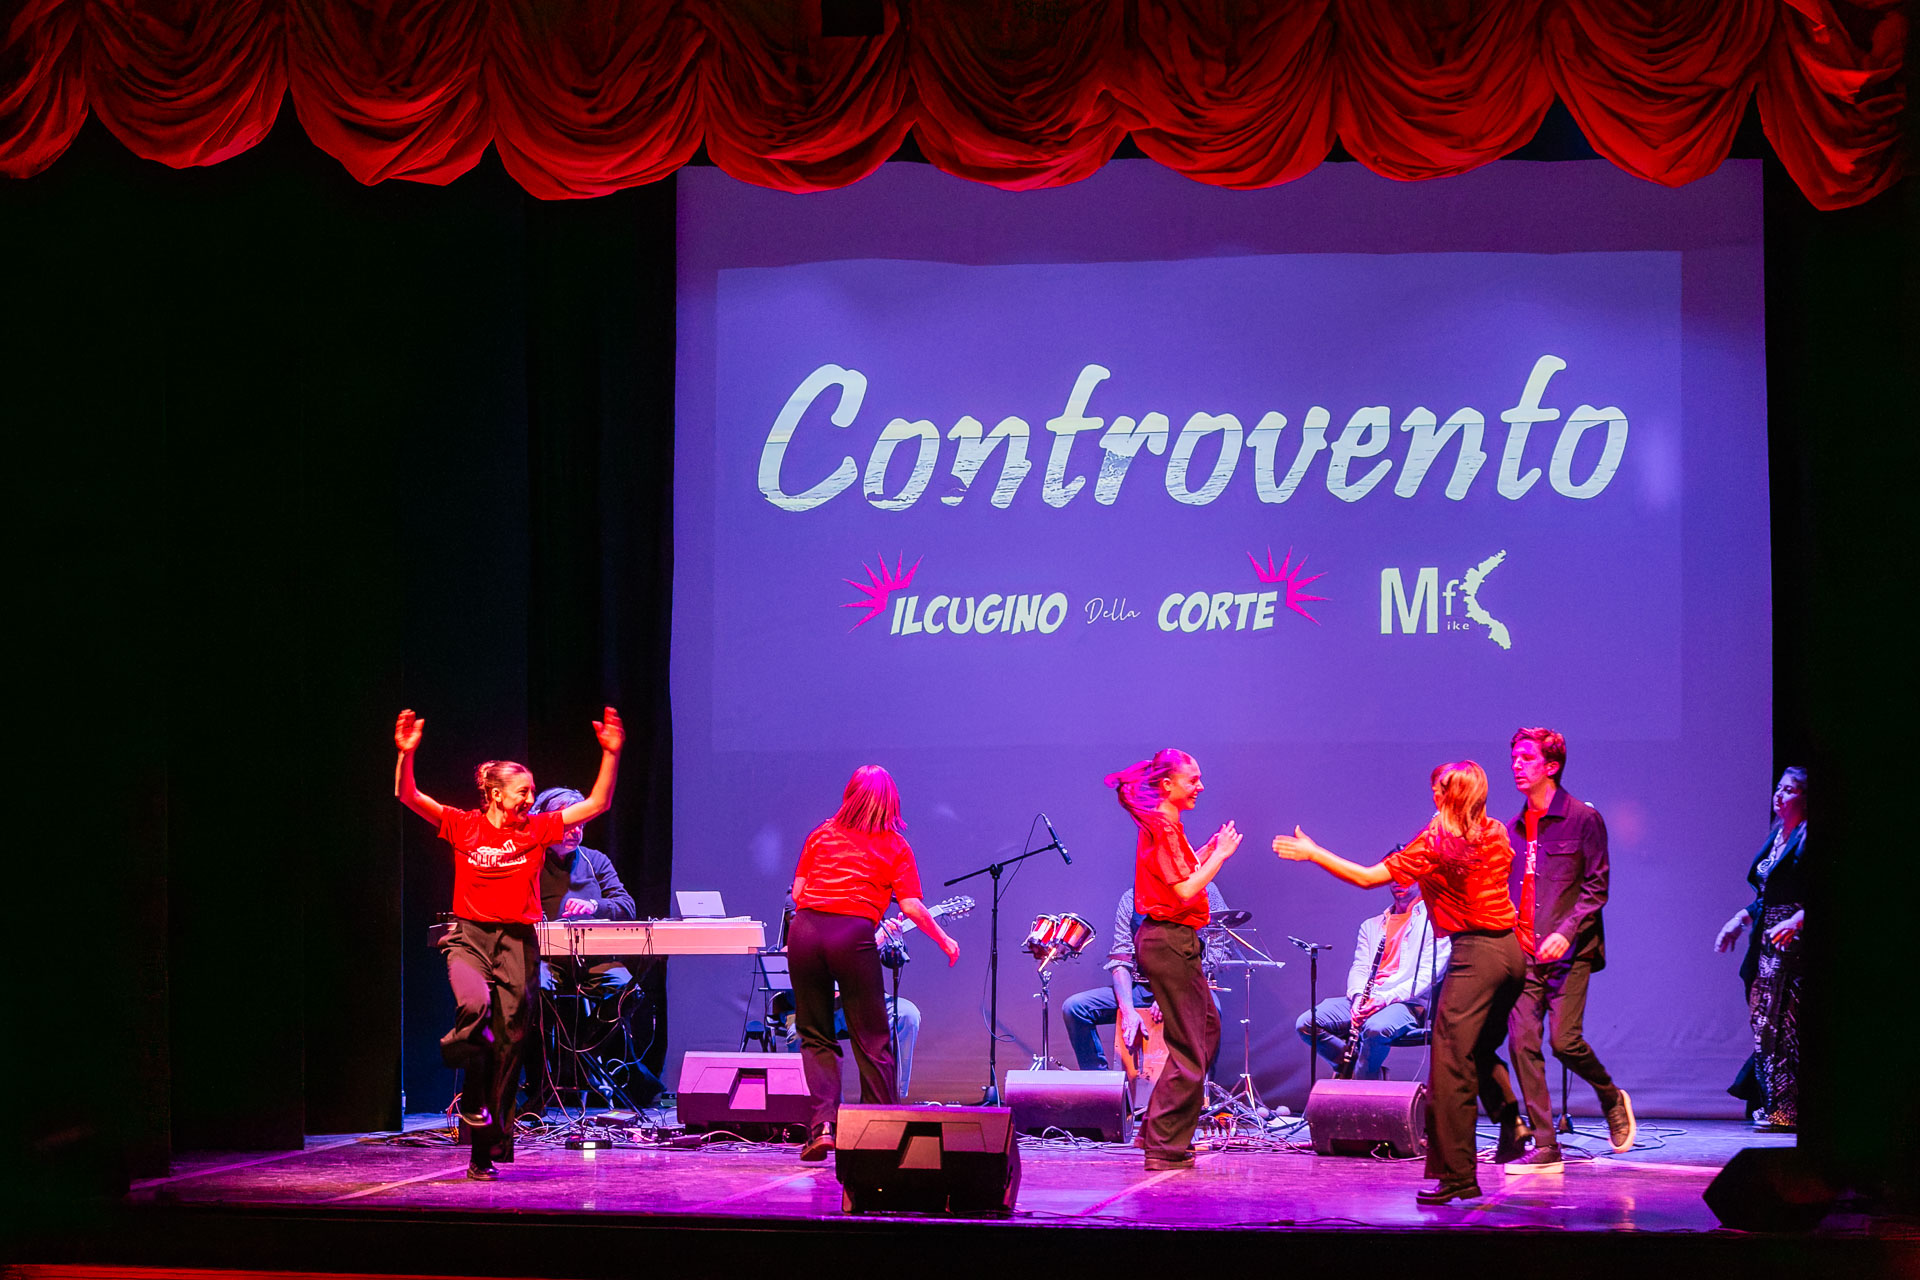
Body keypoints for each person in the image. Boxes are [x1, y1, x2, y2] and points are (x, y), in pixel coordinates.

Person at [1274, 760, 1526, 1207]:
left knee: (1449, 1069)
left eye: (1439, 789)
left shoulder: (1437, 841)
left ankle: (1457, 1177)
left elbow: (1367, 877)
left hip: (1475, 954)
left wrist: (1314, 853)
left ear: (1452, 794)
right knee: (1479, 1050)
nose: (1433, 796)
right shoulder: (1495, 832)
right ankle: (1512, 1123)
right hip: (1510, 955)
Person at [392, 705, 624, 1180]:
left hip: (518, 942)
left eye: (533, 792)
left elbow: (597, 803)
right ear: (496, 794)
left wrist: (611, 754)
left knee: (509, 1043)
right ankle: (463, 1070)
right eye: (524, 792)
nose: (531, 799)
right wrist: (406, 754)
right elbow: (407, 794)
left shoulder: (537, 830)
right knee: (474, 1007)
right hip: (469, 938)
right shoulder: (463, 825)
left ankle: (484, 1149)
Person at [788, 765, 959, 1161]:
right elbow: (911, 907)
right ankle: (880, 1133)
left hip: (805, 931)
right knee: (872, 1039)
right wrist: (945, 940)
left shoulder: (821, 834)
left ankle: (822, 1127)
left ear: (849, 795)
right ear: (891, 803)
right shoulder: (895, 846)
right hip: (851, 934)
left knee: (815, 1035)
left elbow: (798, 892)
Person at [1504, 727, 1635, 1171]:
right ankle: (1546, 1145)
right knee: (1521, 1043)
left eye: (1526, 758)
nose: (1516, 765)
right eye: (1514, 758)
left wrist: (1566, 929)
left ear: (1552, 766)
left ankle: (1609, 1094)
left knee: (1564, 1042)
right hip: (1524, 953)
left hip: (1571, 951)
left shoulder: (1583, 819)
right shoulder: (1512, 828)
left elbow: (1597, 887)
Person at [1105, 749, 1240, 1172]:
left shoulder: (1167, 826)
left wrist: (1207, 849)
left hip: (1173, 940)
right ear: (1167, 784)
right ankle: (1163, 1145)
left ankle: (1154, 1130)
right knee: (1190, 1046)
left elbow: (1178, 873)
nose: (1200, 786)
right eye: (1192, 779)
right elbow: (1183, 891)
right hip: (1168, 940)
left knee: (1206, 1030)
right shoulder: (1162, 826)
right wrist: (1220, 856)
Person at [521, 786, 665, 1112]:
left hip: (593, 961)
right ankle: (539, 1085)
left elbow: (626, 905)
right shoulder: (528, 861)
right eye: (569, 825)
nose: (576, 832)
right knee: (533, 990)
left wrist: (594, 906)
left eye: (581, 825)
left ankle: (578, 1053)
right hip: (545, 961)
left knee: (628, 989)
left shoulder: (594, 860)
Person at [1714, 767, 1807, 1131]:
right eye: (1779, 788)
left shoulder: (1808, 836)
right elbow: (1765, 896)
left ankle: (1790, 1110)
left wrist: (1797, 920)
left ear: (1807, 798)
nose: (1779, 795)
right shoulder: (1777, 835)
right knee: (1765, 1024)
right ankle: (1774, 1105)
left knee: (1787, 1027)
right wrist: (1740, 919)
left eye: (1790, 790)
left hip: (1793, 947)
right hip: (1765, 945)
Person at [1060, 884, 1230, 1075]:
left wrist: (1172, 993)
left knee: (1212, 1011)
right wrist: (1128, 1011)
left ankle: (1201, 1088)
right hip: (1142, 987)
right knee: (1075, 1008)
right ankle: (1100, 1084)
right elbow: (1120, 958)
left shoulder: (1204, 889)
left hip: (1188, 987)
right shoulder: (1131, 898)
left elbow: (1219, 949)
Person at [1296, 879, 1450, 1080]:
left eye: (1406, 875)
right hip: (1369, 998)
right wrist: (1358, 997)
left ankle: (1358, 1087)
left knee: (1376, 1029)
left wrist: (1384, 999)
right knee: (1307, 1023)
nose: (1398, 881)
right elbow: (1360, 968)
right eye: (1393, 876)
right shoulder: (1371, 925)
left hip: (1407, 1003)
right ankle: (1362, 1072)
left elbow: (1429, 974)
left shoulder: (1436, 921)